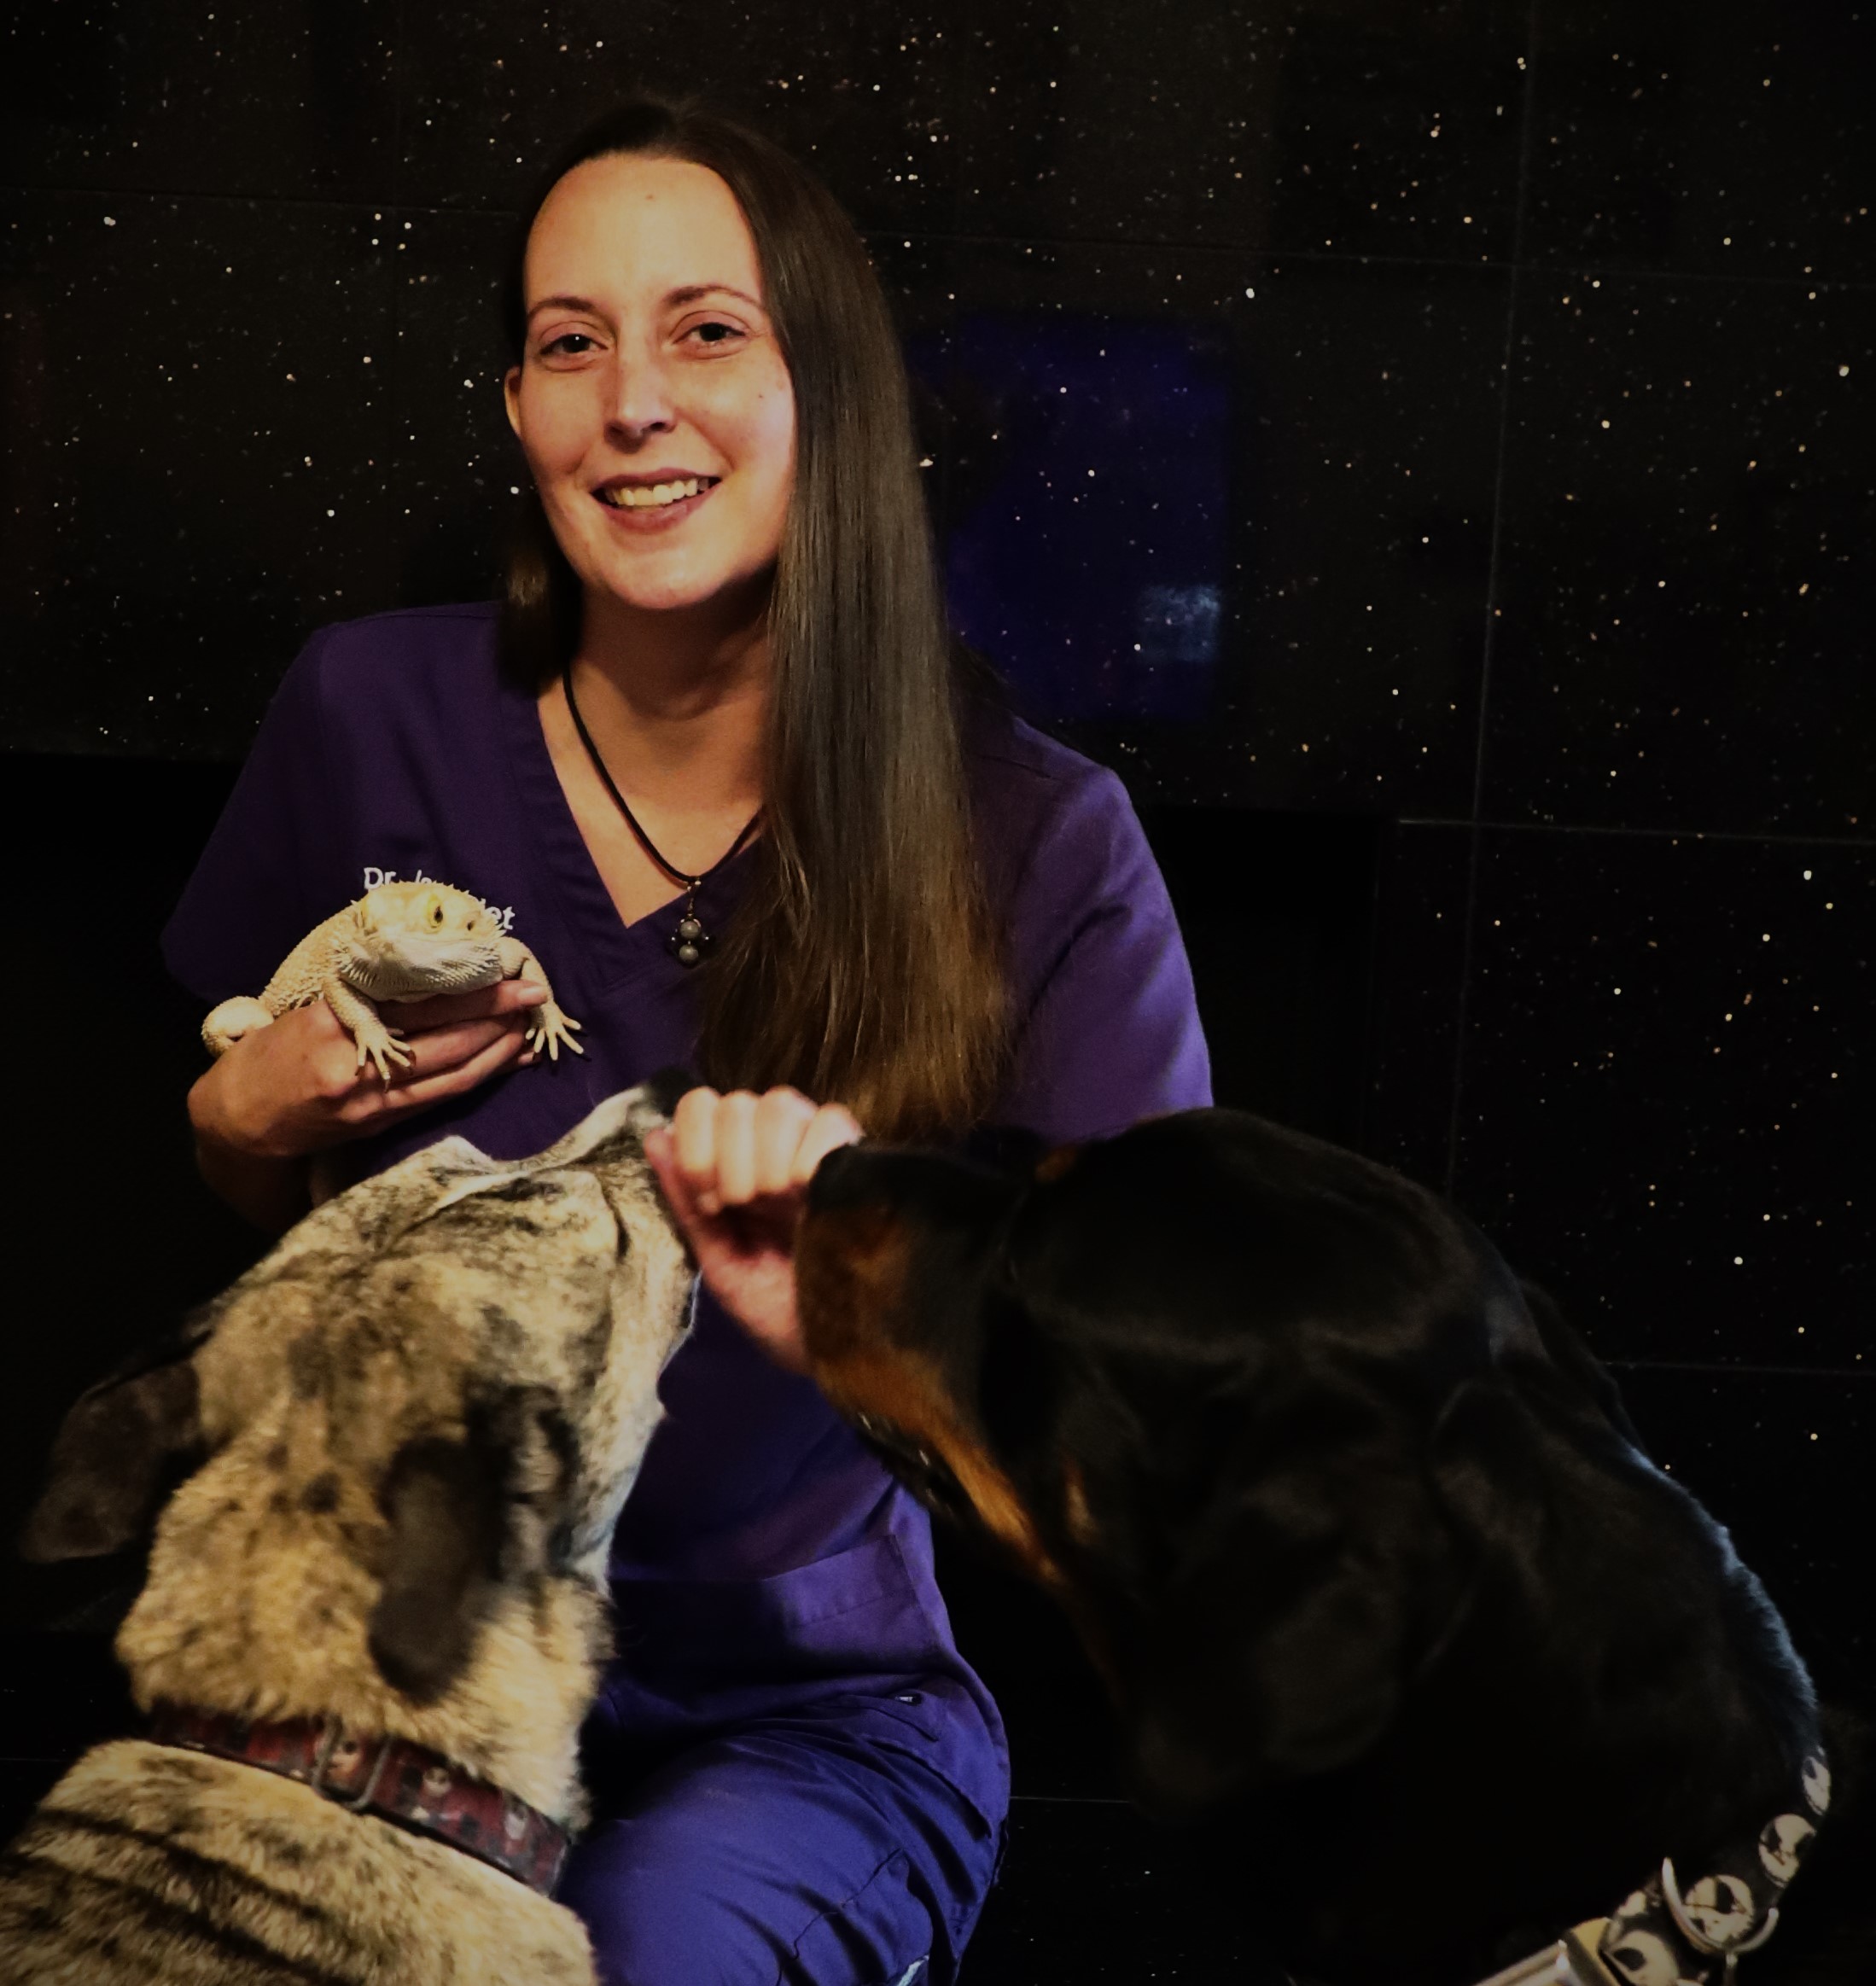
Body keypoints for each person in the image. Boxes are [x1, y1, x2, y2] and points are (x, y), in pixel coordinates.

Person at [165, 98, 1209, 1986]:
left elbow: (1159, 1411)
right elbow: (257, 1207)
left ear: (833, 390)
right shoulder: (370, 708)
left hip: (796, 1716)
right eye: (572, 344)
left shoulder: (1042, 842)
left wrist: (876, 1332)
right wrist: (241, 1110)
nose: (632, 401)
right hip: (378, 1664)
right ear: (517, 413)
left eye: (706, 332)